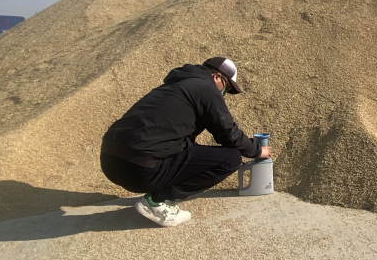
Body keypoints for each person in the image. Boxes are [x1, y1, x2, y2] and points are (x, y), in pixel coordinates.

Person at [100, 57, 272, 227]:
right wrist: (257, 151)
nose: (224, 93)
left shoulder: (177, 86)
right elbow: (228, 133)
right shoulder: (206, 88)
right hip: (138, 171)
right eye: (226, 87)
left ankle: (156, 192)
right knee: (231, 158)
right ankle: (156, 201)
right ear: (217, 77)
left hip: (110, 163)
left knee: (192, 149)